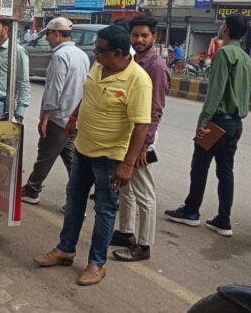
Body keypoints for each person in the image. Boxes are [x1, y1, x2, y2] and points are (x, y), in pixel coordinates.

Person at [33, 26, 151, 286]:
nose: (94, 53)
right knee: (74, 200)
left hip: (110, 157)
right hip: (83, 148)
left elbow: (142, 126)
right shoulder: (99, 65)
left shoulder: (138, 80)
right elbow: (87, 93)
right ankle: (65, 249)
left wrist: (127, 164)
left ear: (118, 53)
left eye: (100, 50)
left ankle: (97, 264)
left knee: (104, 210)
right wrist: (73, 117)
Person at [165, 14, 251, 237]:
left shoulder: (224, 53)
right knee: (226, 171)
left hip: (217, 121)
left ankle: (191, 211)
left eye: (223, 24)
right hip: (235, 123)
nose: (220, 27)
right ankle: (224, 219)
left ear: (226, 29)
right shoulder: (245, 57)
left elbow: (216, 91)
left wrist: (203, 122)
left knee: (199, 167)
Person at [111, 16, 170, 262]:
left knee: (144, 193)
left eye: (144, 35)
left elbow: (155, 110)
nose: (139, 40)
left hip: (142, 137)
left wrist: (144, 146)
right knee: (125, 186)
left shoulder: (156, 67)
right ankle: (126, 232)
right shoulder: (134, 61)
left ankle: (144, 245)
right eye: (135, 35)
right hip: (128, 134)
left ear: (154, 36)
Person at [21, 17, 89, 204]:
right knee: (72, 160)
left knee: (45, 155)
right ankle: (77, 198)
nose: (47, 38)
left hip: (59, 116)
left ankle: (32, 190)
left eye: (48, 34)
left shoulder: (60, 56)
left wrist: (45, 117)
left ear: (57, 34)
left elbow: (54, 89)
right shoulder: (81, 55)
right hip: (74, 116)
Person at [0, 18, 31, 122]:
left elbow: (23, 83)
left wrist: (19, 114)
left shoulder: (17, 51)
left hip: (2, 105)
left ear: (5, 29)